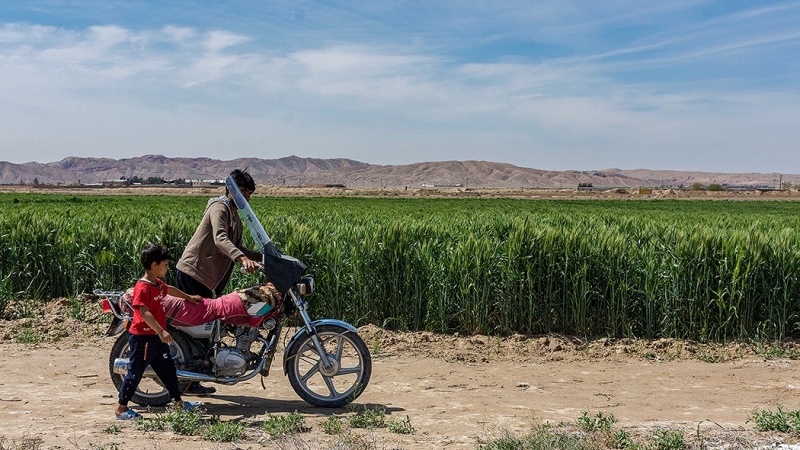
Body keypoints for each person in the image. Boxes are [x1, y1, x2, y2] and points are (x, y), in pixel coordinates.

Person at [175, 169, 263, 395]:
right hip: (194, 272)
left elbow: (239, 246)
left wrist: (264, 257)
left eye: (249, 193)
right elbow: (220, 238)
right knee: (196, 329)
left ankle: (194, 377)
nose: (247, 197)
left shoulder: (235, 215)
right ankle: (189, 380)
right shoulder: (219, 207)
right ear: (231, 189)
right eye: (243, 191)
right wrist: (242, 259)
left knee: (206, 328)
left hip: (205, 278)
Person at [114, 244, 204, 420]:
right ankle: (121, 408)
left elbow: (170, 289)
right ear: (154, 265)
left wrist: (189, 297)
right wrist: (161, 331)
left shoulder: (157, 284)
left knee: (168, 370)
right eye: (165, 264)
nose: (167, 267)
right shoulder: (143, 287)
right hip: (143, 339)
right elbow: (144, 312)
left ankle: (178, 403)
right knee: (135, 372)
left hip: (156, 338)